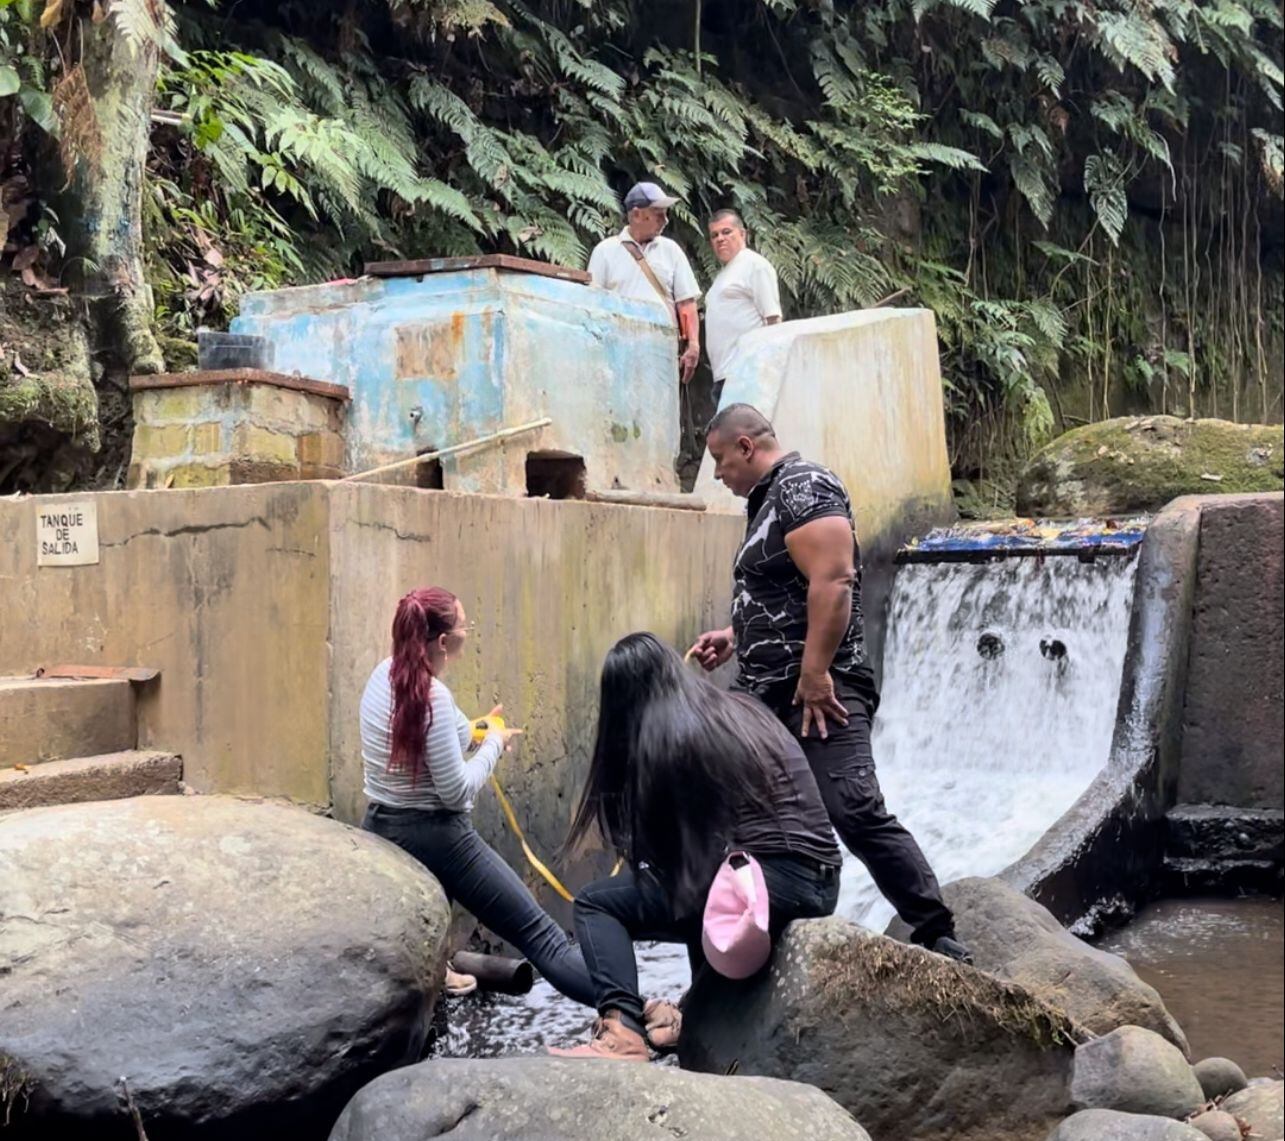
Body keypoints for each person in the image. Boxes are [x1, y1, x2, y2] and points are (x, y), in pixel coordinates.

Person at [688, 404, 973, 965]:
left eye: (720, 461)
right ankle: (750, 937)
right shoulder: (767, 499)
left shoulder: (804, 485)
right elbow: (788, 594)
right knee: (740, 812)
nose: (718, 474)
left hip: (821, 690)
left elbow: (835, 578)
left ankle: (936, 930)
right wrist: (735, 633)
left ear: (746, 447)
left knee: (853, 807)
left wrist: (816, 673)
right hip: (767, 693)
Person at [549, 632, 841, 1061]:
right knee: (693, 885)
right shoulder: (736, 708)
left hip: (764, 883)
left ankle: (622, 1032)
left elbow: (687, 872)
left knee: (597, 905)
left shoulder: (671, 734)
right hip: (818, 882)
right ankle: (696, 1021)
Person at [360, 586, 597, 1008]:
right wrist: (494, 746)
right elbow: (456, 790)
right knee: (542, 936)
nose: (469, 632)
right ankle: (635, 1009)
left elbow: (438, 736)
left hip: (382, 825)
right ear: (444, 642)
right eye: (465, 626)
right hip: (437, 835)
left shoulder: (384, 675)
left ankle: (440, 976)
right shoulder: (433, 696)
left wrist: (480, 728)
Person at [587, 181, 702, 385]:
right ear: (637, 214)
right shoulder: (605, 251)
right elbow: (593, 305)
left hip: (663, 350)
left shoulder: (671, 250)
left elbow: (686, 302)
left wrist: (693, 344)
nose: (665, 221)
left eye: (666, 214)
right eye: (659, 214)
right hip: (618, 349)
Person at [705, 210, 782, 404]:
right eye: (714, 235)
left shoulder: (754, 266)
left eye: (726, 232)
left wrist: (769, 371)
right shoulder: (724, 274)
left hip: (747, 373)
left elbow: (773, 319)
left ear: (743, 234)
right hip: (724, 374)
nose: (720, 239)